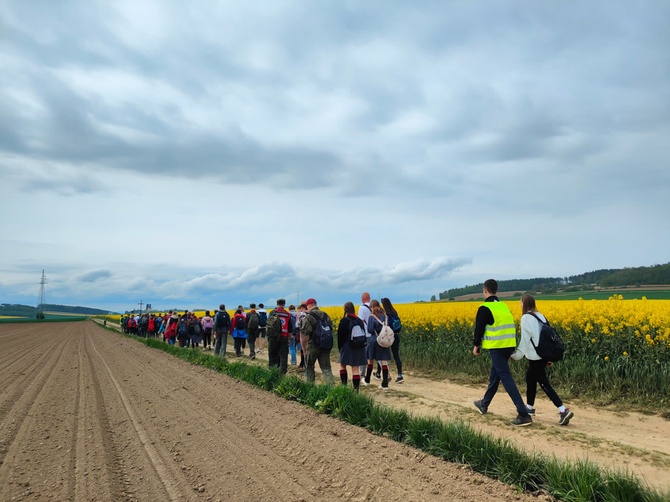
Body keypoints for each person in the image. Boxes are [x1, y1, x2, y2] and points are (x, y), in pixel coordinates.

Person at [473, 279, 533, 426]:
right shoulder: (504, 306)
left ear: (485, 290)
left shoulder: (484, 307)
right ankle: (484, 404)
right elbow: (511, 326)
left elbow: (479, 329)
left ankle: (523, 413)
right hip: (508, 345)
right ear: (496, 291)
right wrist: (512, 347)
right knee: (495, 375)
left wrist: (476, 345)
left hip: (497, 346)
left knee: (505, 376)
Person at [511, 294, 574, 426]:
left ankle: (563, 410)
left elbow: (524, 341)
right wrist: (548, 358)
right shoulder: (540, 316)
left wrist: (516, 356)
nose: (520, 305)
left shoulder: (526, 318)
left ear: (525, 303)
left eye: (521, 303)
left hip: (535, 356)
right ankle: (529, 407)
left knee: (544, 383)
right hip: (542, 355)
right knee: (530, 378)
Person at [300, 298, 334, 385]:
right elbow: (330, 329)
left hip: (313, 345)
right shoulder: (326, 316)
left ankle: (310, 387)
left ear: (309, 306)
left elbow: (305, 333)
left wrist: (304, 348)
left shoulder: (309, 316)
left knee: (309, 367)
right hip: (326, 345)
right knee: (326, 368)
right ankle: (332, 388)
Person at [337, 301, 367, 392]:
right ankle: (356, 390)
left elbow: (340, 337)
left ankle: (344, 386)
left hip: (347, 346)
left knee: (342, 365)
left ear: (345, 310)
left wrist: (340, 348)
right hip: (359, 346)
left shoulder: (344, 321)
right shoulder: (359, 320)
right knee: (355, 369)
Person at [363, 300, 392, 391]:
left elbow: (370, 330)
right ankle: (385, 384)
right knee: (384, 362)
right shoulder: (385, 316)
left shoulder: (372, 317)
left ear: (372, 307)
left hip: (374, 341)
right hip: (383, 340)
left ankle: (367, 380)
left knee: (370, 360)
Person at [382, 297, 405, 383]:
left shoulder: (386, 315)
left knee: (383, 355)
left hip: (389, 337)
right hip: (396, 336)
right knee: (396, 356)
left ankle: (383, 374)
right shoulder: (395, 312)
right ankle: (400, 375)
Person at [267, 299, 293, 373]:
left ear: (276, 304)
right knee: (283, 356)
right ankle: (282, 373)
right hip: (284, 337)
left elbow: (268, 326)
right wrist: (289, 339)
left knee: (272, 354)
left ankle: (272, 371)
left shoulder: (272, 313)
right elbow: (290, 329)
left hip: (273, 337)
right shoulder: (287, 314)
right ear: (284, 304)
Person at [357, 292, 372, 378]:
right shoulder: (374, 306)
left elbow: (360, 322)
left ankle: (362, 374)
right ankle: (385, 373)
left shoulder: (362, 308)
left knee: (364, 354)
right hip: (375, 334)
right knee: (376, 354)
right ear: (369, 298)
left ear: (362, 299)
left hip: (366, 334)